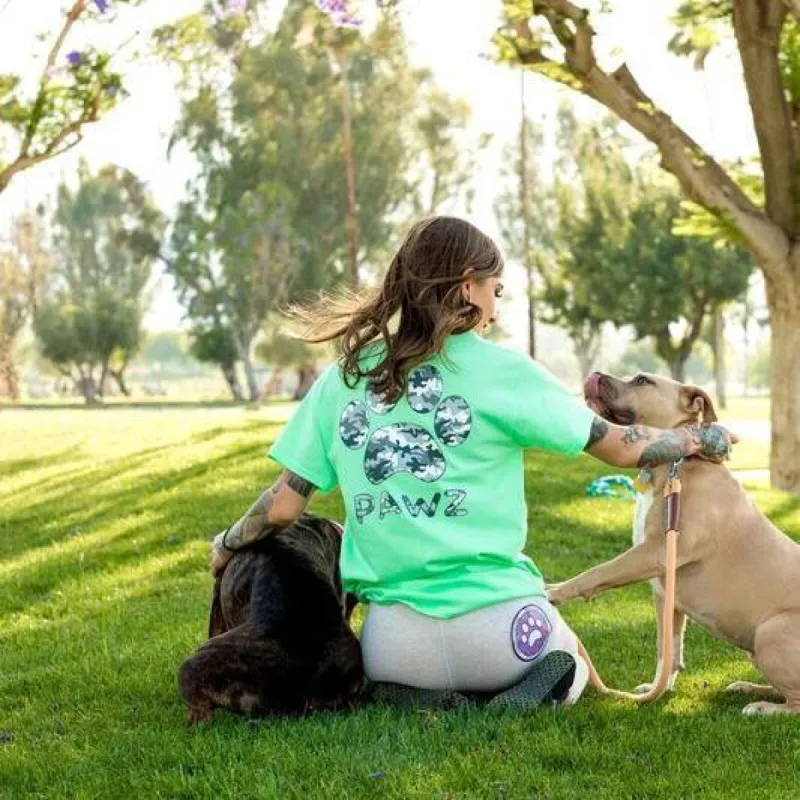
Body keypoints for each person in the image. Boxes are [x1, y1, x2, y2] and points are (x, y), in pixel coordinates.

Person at [209, 216, 734, 708]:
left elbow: (281, 506)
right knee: (570, 661)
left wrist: (227, 543)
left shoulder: (343, 378)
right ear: (467, 284)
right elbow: (623, 446)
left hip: (391, 642)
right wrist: (697, 438)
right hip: (502, 632)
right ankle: (519, 689)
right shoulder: (503, 371)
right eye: (495, 290)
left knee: (398, 665)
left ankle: (414, 693)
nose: (495, 309)